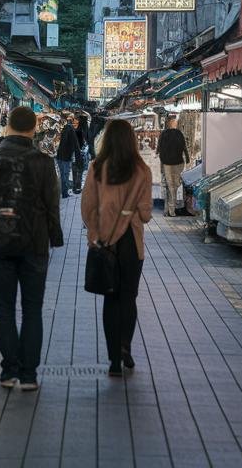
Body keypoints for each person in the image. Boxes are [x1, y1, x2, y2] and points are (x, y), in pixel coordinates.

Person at [0, 106, 63, 391]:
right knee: (32, 310)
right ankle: (29, 375)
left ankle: (8, 371)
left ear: (6, 127)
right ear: (34, 129)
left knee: (4, 309)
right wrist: (53, 238)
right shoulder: (44, 163)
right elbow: (52, 205)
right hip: (34, 246)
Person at [81, 119, 152, 377]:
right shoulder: (142, 170)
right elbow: (145, 214)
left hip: (106, 243)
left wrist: (96, 231)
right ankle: (125, 348)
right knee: (129, 297)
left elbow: (88, 207)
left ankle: (113, 360)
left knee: (111, 299)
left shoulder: (97, 167)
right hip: (132, 244)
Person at [156, 115, 190, 216]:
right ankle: (171, 209)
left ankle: (169, 209)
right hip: (176, 163)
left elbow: (159, 148)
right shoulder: (178, 133)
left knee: (170, 186)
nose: (175, 123)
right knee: (173, 186)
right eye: (174, 121)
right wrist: (187, 159)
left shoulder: (164, 134)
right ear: (170, 123)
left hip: (168, 163)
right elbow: (184, 147)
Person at [54, 112, 80, 198]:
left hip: (59, 156)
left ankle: (63, 192)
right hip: (66, 157)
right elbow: (76, 145)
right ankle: (65, 193)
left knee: (62, 175)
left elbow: (62, 142)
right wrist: (78, 157)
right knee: (65, 174)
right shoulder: (71, 130)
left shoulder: (64, 129)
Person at [70, 113, 89, 194]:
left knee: (76, 171)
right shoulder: (82, 131)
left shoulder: (74, 130)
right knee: (79, 171)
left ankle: (76, 187)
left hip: (75, 154)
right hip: (79, 153)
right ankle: (77, 187)